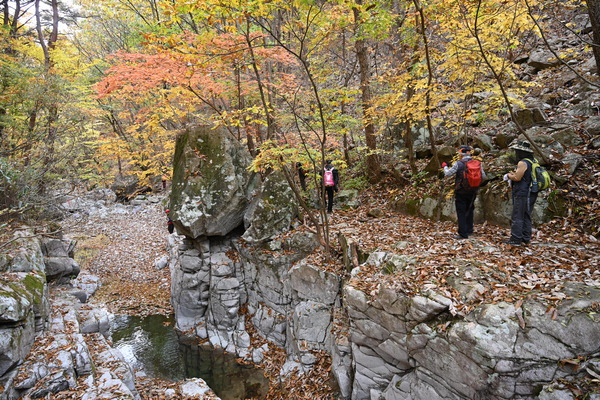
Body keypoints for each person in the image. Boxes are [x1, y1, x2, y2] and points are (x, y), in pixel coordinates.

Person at [442, 145, 487, 239]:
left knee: (461, 211)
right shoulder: (477, 163)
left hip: (461, 191)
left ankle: (463, 233)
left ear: (461, 154)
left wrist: (445, 166)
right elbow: (483, 177)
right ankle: (470, 230)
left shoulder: (459, 163)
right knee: (470, 209)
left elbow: (448, 174)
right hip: (473, 190)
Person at [503, 140, 538, 246]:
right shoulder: (533, 161)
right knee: (526, 215)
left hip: (522, 192)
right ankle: (526, 238)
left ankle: (516, 238)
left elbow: (517, 178)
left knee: (517, 215)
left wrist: (508, 176)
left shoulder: (522, 163)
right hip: (531, 191)